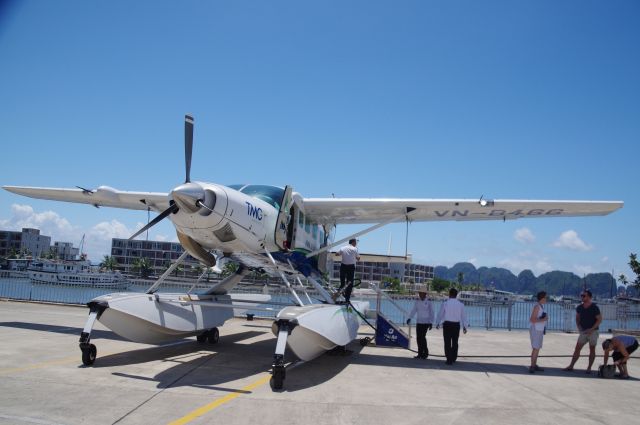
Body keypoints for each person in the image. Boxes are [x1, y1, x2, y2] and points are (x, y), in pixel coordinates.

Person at [564, 289, 602, 374]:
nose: (582, 297)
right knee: (577, 348)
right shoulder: (579, 307)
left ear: (589, 297)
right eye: (581, 295)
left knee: (592, 349)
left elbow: (599, 320)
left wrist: (591, 329)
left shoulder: (594, 307)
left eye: (584, 296)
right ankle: (571, 366)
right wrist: (579, 328)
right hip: (583, 331)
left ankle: (589, 368)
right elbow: (577, 318)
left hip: (593, 332)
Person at [436, 288, 468, 365]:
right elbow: (463, 316)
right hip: (456, 325)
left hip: (447, 324)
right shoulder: (461, 304)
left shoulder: (445, 303)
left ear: (449, 294)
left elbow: (440, 314)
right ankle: (453, 358)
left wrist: (437, 323)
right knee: (455, 342)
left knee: (447, 342)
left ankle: (449, 359)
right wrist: (465, 326)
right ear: (456, 295)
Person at [406, 286, 434, 359]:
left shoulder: (429, 302)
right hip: (419, 322)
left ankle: (425, 353)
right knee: (418, 338)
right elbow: (413, 310)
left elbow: (432, 313)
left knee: (422, 337)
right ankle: (420, 353)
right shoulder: (417, 302)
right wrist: (409, 318)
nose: (421, 295)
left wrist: (431, 322)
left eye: (422, 293)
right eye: (420, 293)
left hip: (426, 322)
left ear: (425, 294)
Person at [529, 291, 548, 373]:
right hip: (536, 329)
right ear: (542, 298)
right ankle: (532, 366)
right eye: (546, 297)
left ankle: (534, 364)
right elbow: (532, 319)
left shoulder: (540, 306)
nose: (547, 299)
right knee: (536, 348)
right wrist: (544, 319)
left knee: (537, 348)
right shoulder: (537, 307)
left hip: (539, 329)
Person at [335, 238, 360, 303]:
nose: (356, 244)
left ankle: (336, 296)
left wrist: (342, 254)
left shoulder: (343, 248)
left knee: (342, 283)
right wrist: (356, 257)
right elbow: (358, 258)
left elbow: (337, 254)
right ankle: (347, 299)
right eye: (355, 242)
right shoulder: (355, 249)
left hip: (343, 266)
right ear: (353, 242)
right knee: (349, 284)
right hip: (351, 267)